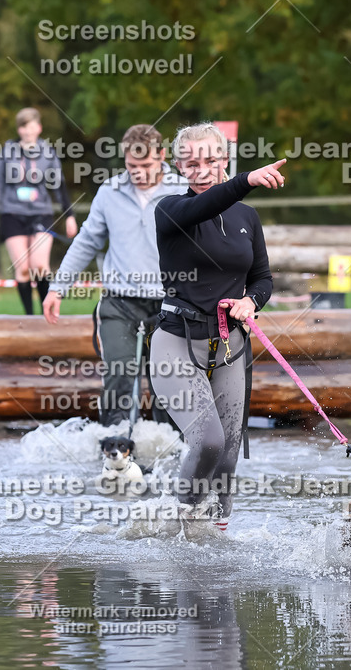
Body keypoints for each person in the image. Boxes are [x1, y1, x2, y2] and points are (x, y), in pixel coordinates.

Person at [150, 122, 286, 530]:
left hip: (230, 345)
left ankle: (217, 544)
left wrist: (250, 301)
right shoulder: (170, 210)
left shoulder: (247, 216)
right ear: (179, 165)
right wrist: (246, 179)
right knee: (208, 441)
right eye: (192, 161)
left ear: (223, 158)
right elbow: (206, 205)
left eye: (211, 159)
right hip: (177, 343)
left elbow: (263, 278)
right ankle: (180, 524)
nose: (203, 167)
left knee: (227, 457)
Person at [43, 124, 187, 427]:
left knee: (168, 383)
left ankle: (173, 452)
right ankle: (114, 449)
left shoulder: (182, 190)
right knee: (119, 374)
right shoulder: (109, 193)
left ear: (162, 155)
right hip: (120, 303)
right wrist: (58, 288)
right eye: (132, 166)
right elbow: (86, 242)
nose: (138, 172)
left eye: (146, 165)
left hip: (170, 303)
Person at [0, 107, 78, 314]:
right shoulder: (8, 152)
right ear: (19, 130)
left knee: (39, 265)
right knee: (23, 268)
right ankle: (29, 316)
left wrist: (69, 216)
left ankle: (47, 310)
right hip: (12, 214)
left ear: (39, 128)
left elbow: (59, 186)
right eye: (23, 127)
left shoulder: (48, 153)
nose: (27, 132)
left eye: (31, 127)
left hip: (41, 214)